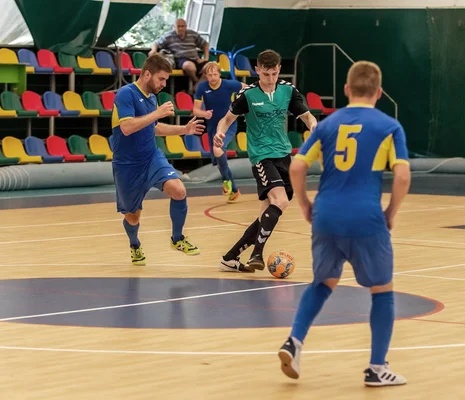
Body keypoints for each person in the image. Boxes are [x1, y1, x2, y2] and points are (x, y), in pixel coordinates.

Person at [277, 61, 411, 387]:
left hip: (326, 216)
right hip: (365, 217)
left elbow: (296, 167)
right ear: (378, 93)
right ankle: (377, 368)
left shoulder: (326, 125)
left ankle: (294, 341)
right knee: (382, 292)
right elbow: (403, 176)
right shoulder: (389, 127)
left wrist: (306, 205)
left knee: (323, 282)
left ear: (347, 90)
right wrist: (391, 213)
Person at [214, 49, 317, 272]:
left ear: (279, 70)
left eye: (273, 74)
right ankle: (256, 255)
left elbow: (307, 116)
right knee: (280, 200)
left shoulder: (288, 91)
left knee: (268, 211)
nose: (270, 79)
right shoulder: (248, 95)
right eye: (265, 74)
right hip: (261, 156)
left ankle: (230, 257)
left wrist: (316, 129)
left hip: (283, 155)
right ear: (258, 70)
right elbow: (227, 119)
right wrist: (220, 133)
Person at [110, 54, 205, 265]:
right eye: (161, 79)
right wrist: (158, 113)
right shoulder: (126, 94)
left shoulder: (152, 97)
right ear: (146, 74)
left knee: (179, 190)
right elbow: (127, 128)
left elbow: (153, 128)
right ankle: (134, 244)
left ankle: (177, 238)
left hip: (151, 157)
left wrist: (185, 129)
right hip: (127, 165)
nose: (164, 84)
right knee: (132, 216)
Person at [193, 61, 246, 202]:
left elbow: (247, 88)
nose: (213, 77)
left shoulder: (229, 84)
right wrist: (204, 114)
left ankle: (227, 184)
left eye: (215, 74)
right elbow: (195, 110)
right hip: (212, 127)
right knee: (217, 158)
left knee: (218, 149)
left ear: (219, 73)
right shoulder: (202, 87)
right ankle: (234, 189)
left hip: (228, 124)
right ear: (206, 76)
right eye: (209, 75)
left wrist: (244, 105)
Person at [150, 18, 209, 86]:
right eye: (178, 26)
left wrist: (206, 58)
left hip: (196, 59)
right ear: (174, 27)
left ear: (186, 26)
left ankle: (197, 86)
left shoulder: (193, 34)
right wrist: (153, 51)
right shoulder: (169, 36)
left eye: (182, 26)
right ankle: (196, 81)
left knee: (211, 67)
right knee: (189, 66)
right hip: (181, 60)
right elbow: (156, 43)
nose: (181, 28)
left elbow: (205, 44)